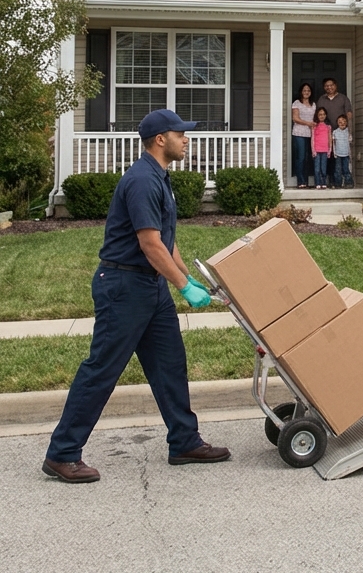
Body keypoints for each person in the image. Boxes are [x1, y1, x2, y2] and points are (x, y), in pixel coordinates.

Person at [42, 110, 230, 484]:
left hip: (150, 286)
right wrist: (182, 286)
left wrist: (189, 279)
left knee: (169, 363)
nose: (187, 139)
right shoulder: (143, 180)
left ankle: (184, 441)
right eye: (181, 133)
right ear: (161, 139)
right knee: (102, 369)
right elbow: (148, 244)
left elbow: (164, 241)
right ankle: (62, 453)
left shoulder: (160, 177)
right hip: (124, 286)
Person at [317, 78, 354, 188]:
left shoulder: (343, 98)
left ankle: (344, 180)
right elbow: (318, 115)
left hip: (340, 134)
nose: (329, 87)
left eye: (331, 85)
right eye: (326, 86)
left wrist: (347, 129)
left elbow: (349, 114)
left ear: (335, 85)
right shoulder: (321, 99)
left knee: (340, 157)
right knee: (328, 157)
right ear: (324, 87)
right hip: (325, 133)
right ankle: (331, 180)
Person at [291, 83, 316, 188]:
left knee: (307, 158)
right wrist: (308, 123)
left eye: (308, 90)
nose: (306, 92)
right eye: (304, 90)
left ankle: (306, 181)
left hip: (311, 134)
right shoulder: (297, 103)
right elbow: (295, 118)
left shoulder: (313, 104)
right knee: (300, 157)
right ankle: (300, 181)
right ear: (301, 92)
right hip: (299, 133)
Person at [311, 107, 332, 190]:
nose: (322, 116)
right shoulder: (314, 126)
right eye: (320, 114)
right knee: (317, 168)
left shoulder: (328, 126)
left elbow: (330, 138)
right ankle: (318, 182)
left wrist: (330, 149)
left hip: (325, 150)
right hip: (317, 150)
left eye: (323, 114)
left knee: (323, 168)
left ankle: (323, 182)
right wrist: (313, 150)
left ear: (326, 115)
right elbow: (313, 138)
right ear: (317, 115)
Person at [332, 114, 355, 189]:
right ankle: (337, 183)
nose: (342, 123)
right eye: (340, 122)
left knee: (346, 169)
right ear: (337, 123)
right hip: (338, 154)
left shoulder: (348, 132)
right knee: (338, 169)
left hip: (346, 154)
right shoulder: (335, 132)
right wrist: (334, 152)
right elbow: (333, 143)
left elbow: (350, 142)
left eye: (344, 121)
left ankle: (348, 183)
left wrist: (350, 154)